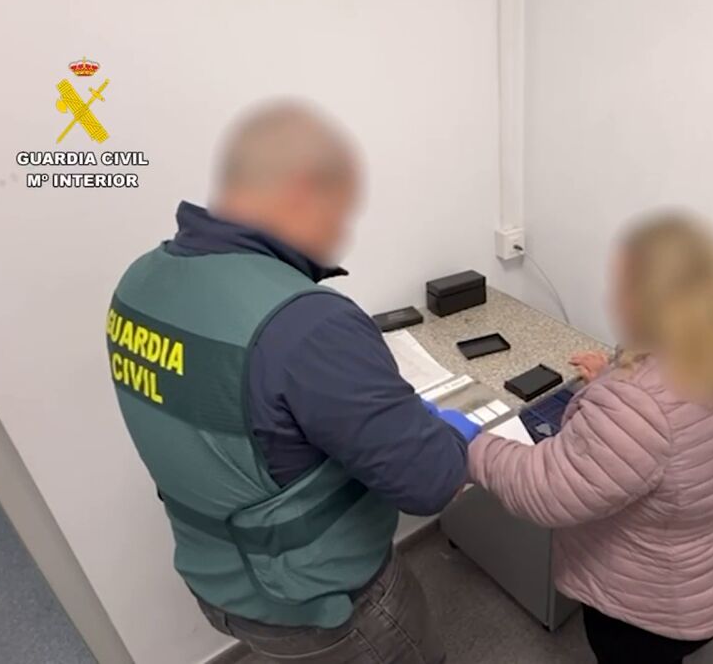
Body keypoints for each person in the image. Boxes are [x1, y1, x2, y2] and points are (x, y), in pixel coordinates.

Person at [105, 99, 478, 663]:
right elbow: (431, 483)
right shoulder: (307, 323)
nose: (342, 236)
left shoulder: (139, 284)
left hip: (219, 581)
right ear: (303, 191)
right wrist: (451, 435)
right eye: (341, 215)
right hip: (328, 605)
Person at [468, 213, 713, 664]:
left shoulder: (639, 404)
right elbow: (673, 435)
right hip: (708, 574)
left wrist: (472, 444)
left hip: (648, 607)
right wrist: (612, 377)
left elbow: (546, 487)